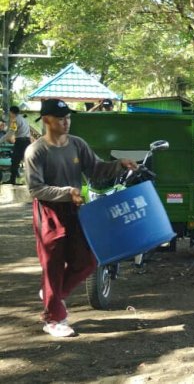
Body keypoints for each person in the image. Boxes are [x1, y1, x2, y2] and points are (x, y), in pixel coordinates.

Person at [23, 99, 137, 337]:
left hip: (75, 210)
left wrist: (119, 165)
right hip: (49, 213)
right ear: (46, 120)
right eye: (60, 118)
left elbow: (95, 169)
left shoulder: (77, 144)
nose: (66, 122)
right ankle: (53, 319)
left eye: (68, 118)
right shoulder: (36, 151)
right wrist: (66, 192)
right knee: (52, 265)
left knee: (88, 260)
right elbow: (35, 189)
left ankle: (53, 295)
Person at [3, 106, 32, 185]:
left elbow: (11, 132)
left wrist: (1, 140)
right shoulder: (24, 119)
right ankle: (31, 182)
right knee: (28, 161)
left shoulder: (15, 120)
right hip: (27, 141)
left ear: (12, 112)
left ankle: (12, 181)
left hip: (20, 142)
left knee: (15, 161)